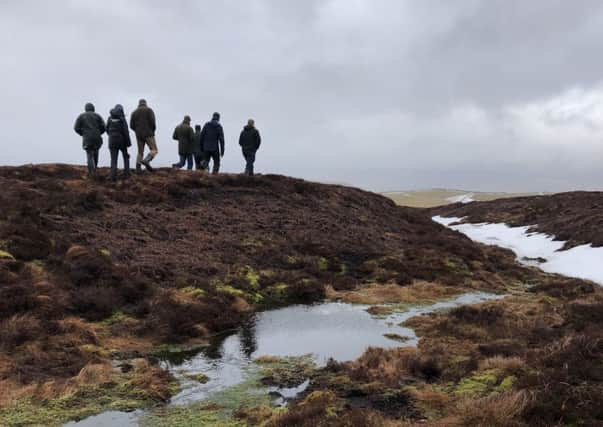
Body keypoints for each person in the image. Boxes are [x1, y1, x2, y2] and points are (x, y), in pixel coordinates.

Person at [74, 103, 105, 178]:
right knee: (96, 153)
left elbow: (76, 128)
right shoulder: (98, 116)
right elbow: (104, 127)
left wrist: (82, 133)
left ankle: (92, 173)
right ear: (93, 108)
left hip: (87, 138)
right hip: (97, 138)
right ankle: (95, 170)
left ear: (86, 108)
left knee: (89, 154)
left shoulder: (81, 116)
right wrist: (99, 133)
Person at [130, 99, 157, 172]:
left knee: (140, 152)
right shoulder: (149, 110)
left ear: (139, 104)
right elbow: (153, 122)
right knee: (154, 149)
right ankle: (146, 160)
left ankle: (138, 168)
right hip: (149, 134)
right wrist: (152, 130)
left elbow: (131, 125)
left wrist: (137, 131)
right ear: (145, 103)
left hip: (138, 135)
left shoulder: (134, 112)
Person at [106, 104, 132, 181]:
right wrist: (128, 143)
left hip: (112, 141)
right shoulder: (122, 119)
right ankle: (127, 175)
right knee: (126, 157)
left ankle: (113, 177)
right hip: (122, 141)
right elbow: (126, 132)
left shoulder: (109, 118)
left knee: (113, 159)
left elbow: (107, 129)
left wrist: (111, 135)